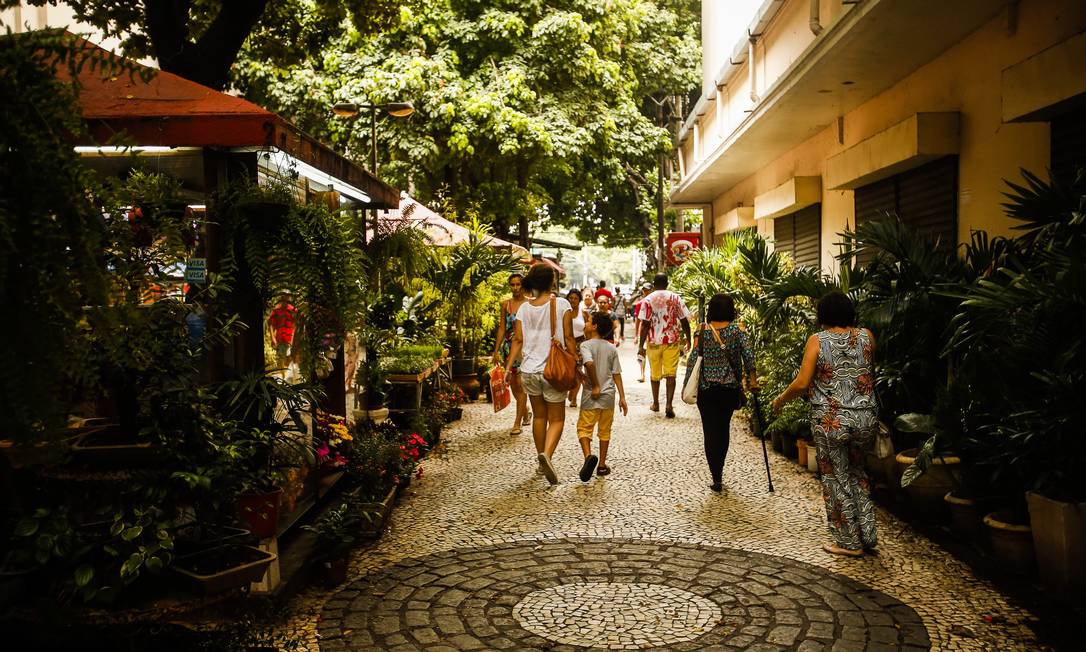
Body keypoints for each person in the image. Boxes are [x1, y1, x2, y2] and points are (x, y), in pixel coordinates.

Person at [772, 291, 878, 558]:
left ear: (823, 315)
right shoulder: (867, 336)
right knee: (858, 473)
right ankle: (867, 534)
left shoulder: (818, 340)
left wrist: (781, 399)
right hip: (866, 417)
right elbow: (866, 371)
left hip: (832, 420)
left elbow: (802, 382)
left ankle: (848, 542)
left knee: (836, 478)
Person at [505, 263, 578, 485]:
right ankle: (547, 454)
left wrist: (509, 368)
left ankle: (540, 460)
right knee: (557, 419)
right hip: (553, 370)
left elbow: (517, 340)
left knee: (539, 416)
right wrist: (575, 361)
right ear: (551, 282)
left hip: (528, 370)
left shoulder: (523, 309)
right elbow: (569, 336)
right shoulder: (562, 304)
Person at [683, 294, 757, 493]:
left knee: (709, 431)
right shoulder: (738, 330)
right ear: (731, 310)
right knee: (723, 430)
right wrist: (752, 380)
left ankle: (715, 475)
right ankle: (720, 471)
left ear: (711, 311)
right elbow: (749, 356)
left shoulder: (702, 330)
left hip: (706, 390)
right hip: (728, 389)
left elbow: (693, 359)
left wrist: (687, 385)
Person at [576, 312, 628, 480]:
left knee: (584, 428)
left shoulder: (585, 345)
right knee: (605, 431)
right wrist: (622, 397)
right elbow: (617, 374)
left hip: (592, 394)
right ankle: (602, 465)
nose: (585, 324)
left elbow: (589, 363)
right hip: (609, 396)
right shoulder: (611, 347)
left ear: (594, 326)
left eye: (588, 321)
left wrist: (596, 385)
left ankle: (588, 457)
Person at [637, 273, 691, 418]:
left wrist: (641, 346)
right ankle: (668, 404)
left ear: (654, 284)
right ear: (667, 283)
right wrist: (689, 339)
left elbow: (645, 324)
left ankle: (655, 404)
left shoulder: (647, 299)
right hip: (671, 341)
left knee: (655, 374)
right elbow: (684, 320)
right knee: (671, 374)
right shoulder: (675, 297)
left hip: (653, 341)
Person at [492, 272, 531, 435]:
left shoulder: (530, 304)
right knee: (513, 385)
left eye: (518, 284)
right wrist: (496, 350)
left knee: (521, 386)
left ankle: (517, 423)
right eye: (512, 284)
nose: (515, 288)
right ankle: (525, 410)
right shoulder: (505, 305)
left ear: (523, 285)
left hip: (524, 348)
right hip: (509, 349)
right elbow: (502, 328)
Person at [566, 288, 590, 407]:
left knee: (578, 372)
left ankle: (574, 397)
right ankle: (569, 390)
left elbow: (589, 330)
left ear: (579, 300)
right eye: (571, 298)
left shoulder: (584, 313)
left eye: (575, 298)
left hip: (581, 343)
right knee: (569, 371)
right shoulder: (564, 312)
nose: (573, 300)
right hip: (566, 344)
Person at [632, 284, 652, 382]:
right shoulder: (640, 304)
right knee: (642, 353)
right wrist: (636, 335)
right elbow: (638, 320)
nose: (646, 292)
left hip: (653, 332)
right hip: (643, 332)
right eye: (644, 290)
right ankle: (642, 374)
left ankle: (654, 373)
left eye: (648, 290)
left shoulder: (656, 302)